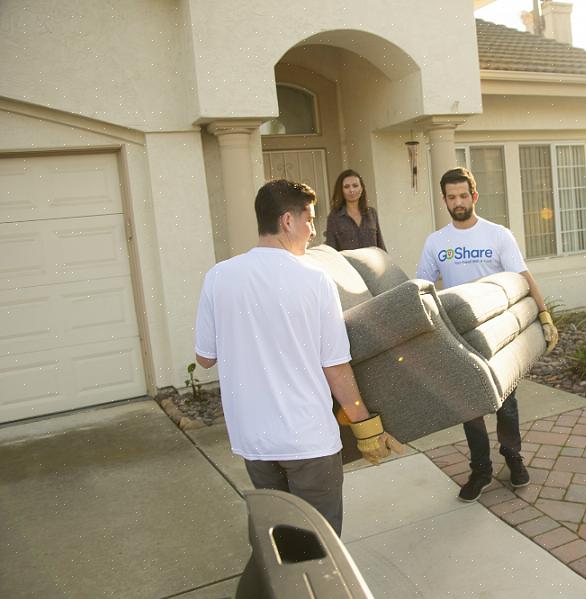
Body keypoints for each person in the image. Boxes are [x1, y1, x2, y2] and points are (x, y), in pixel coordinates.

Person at [194, 179, 402, 536]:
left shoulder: (219, 277)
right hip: (307, 440)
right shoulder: (314, 279)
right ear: (287, 221)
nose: (312, 231)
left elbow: (205, 358)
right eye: (308, 220)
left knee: (279, 538)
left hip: (255, 441)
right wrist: (365, 427)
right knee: (320, 544)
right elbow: (335, 365)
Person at [416, 167, 559, 503]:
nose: (458, 202)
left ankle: (513, 458)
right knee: (471, 405)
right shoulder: (436, 242)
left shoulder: (498, 235)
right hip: (458, 334)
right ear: (444, 200)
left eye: (463, 195)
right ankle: (481, 469)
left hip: (498, 333)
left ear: (474, 196)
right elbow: (421, 288)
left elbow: (523, 277)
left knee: (505, 401)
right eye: (451, 197)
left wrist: (544, 313)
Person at [325, 169, 387, 251]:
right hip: (347, 264)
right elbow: (331, 250)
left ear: (361, 188)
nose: (351, 190)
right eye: (346, 187)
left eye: (355, 185)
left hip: (372, 263)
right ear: (341, 190)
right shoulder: (334, 217)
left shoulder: (371, 213)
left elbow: (380, 245)